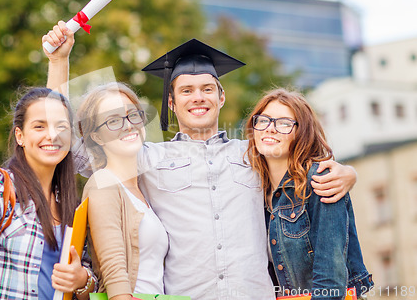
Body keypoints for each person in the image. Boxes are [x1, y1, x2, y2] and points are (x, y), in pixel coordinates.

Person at [43, 22, 357, 300]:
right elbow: (66, 143)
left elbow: (302, 165)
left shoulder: (255, 153)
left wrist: (347, 172)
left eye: (207, 89)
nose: (198, 97)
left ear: (221, 97)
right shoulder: (146, 159)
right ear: (172, 102)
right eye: (187, 91)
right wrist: (59, 61)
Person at [0, 88, 96, 300]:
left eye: (61, 127)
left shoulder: (74, 206)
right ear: (19, 135)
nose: (52, 135)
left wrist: (83, 280)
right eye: (39, 126)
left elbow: (88, 278)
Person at [245, 88, 373, 299]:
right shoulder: (252, 189)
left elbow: (331, 281)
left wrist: (351, 172)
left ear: (301, 133)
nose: (270, 129)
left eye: (284, 123)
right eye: (264, 120)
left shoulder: (320, 181)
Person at [78, 83, 168, 300]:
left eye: (132, 115)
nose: (128, 126)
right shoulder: (104, 183)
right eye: (113, 121)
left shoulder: (142, 190)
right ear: (97, 137)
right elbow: (114, 273)